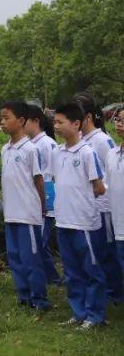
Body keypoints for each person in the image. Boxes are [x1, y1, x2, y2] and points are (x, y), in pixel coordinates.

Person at [52, 102, 107, 329]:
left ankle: (95, 315)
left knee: (92, 270)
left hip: (84, 222)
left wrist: (81, 203)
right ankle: (79, 312)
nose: (55, 126)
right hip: (63, 220)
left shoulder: (87, 152)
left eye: (60, 122)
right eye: (54, 122)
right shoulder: (57, 152)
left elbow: (99, 187)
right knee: (72, 271)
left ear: (76, 124)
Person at [0, 102, 49, 310]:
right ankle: (24, 295)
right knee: (16, 258)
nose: (2, 122)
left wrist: (42, 205)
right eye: (0, 118)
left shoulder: (30, 149)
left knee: (31, 259)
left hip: (27, 214)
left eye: (6, 118)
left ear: (20, 121)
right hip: (11, 214)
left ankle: (39, 299)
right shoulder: (5, 149)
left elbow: (38, 180)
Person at [75, 93, 122, 303]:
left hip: (104, 208)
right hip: (88, 208)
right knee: (95, 253)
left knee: (107, 253)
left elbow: (112, 175)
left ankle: (115, 293)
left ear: (89, 116)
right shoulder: (80, 141)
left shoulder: (102, 141)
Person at [24, 103, 63, 285]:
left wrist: (48, 202)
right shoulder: (31, 144)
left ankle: (51, 278)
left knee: (40, 241)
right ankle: (53, 278)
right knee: (41, 242)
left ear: (35, 121)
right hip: (35, 198)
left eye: (25, 120)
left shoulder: (48, 144)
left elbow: (56, 175)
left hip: (46, 198)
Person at [107, 110, 124, 300]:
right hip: (118, 222)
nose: (119, 123)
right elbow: (105, 184)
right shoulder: (112, 154)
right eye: (118, 119)